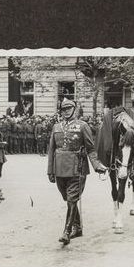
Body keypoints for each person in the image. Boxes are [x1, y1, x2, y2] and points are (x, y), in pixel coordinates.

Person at [47, 99, 106, 245]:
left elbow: (91, 148)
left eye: (69, 108)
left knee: (72, 199)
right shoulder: (56, 127)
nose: (66, 111)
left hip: (77, 168)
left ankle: (67, 231)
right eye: (64, 109)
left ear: (75, 109)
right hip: (59, 169)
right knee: (68, 199)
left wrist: (96, 165)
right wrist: (50, 170)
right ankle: (78, 227)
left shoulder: (82, 126)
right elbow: (51, 150)